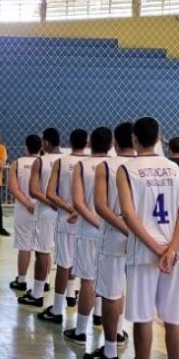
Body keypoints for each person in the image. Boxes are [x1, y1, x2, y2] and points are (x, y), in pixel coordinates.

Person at [113, 117, 179, 359]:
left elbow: (129, 214)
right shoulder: (175, 169)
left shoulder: (126, 169)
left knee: (143, 318)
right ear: (159, 137)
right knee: (174, 319)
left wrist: (156, 248)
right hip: (175, 256)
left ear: (134, 138)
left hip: (144, 255)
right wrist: (171, 249)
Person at [84, 122, 135, 359]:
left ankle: (110, 351)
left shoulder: (108, 166)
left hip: (114, 235)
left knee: (110, 292)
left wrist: (126, 228)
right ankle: (121, 331)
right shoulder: (145, 165)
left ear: (116, 142)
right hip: (140, 238)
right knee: (121, 289)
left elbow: (101, 207)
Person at [64, 127, 112, 343]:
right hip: (114, 229)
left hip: (90, 229)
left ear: (90, 143)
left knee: (88, 281)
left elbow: (79, 202)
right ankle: (109, 325)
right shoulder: (119, 165)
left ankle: (81, 331)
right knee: (111, 281)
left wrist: (93, 220)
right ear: (111, 144)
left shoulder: (82, 166)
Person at [39, 129, 87, 323]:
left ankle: (57, 309)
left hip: (67, 219)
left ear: (70, 141)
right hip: (87, 221)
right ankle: (72, 294)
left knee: (63, 264)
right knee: (82, 265)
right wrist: (82, 210)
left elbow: (50, 193)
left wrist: (68, 207)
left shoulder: (62, 162)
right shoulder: (96, 164)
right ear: (87, 142)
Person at [18, 128, 61, 302]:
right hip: (66, 215)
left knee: (42, 251)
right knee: (65, 257)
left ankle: (37, 294)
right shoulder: (67, 161)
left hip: (47, 212)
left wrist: (51, 201)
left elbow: (33, 191)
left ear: (47, 142)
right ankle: (66, 295)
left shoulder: (41, 162)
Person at [7, 135, 42, 305]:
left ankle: (21, 280)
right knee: (43, 248)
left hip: (24, 210)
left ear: (26, 147)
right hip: (43, 209)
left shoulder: (17, 163)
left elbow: (13, 189)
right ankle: (44, 282)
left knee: (24, 245)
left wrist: (28, 204)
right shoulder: (46, 163)